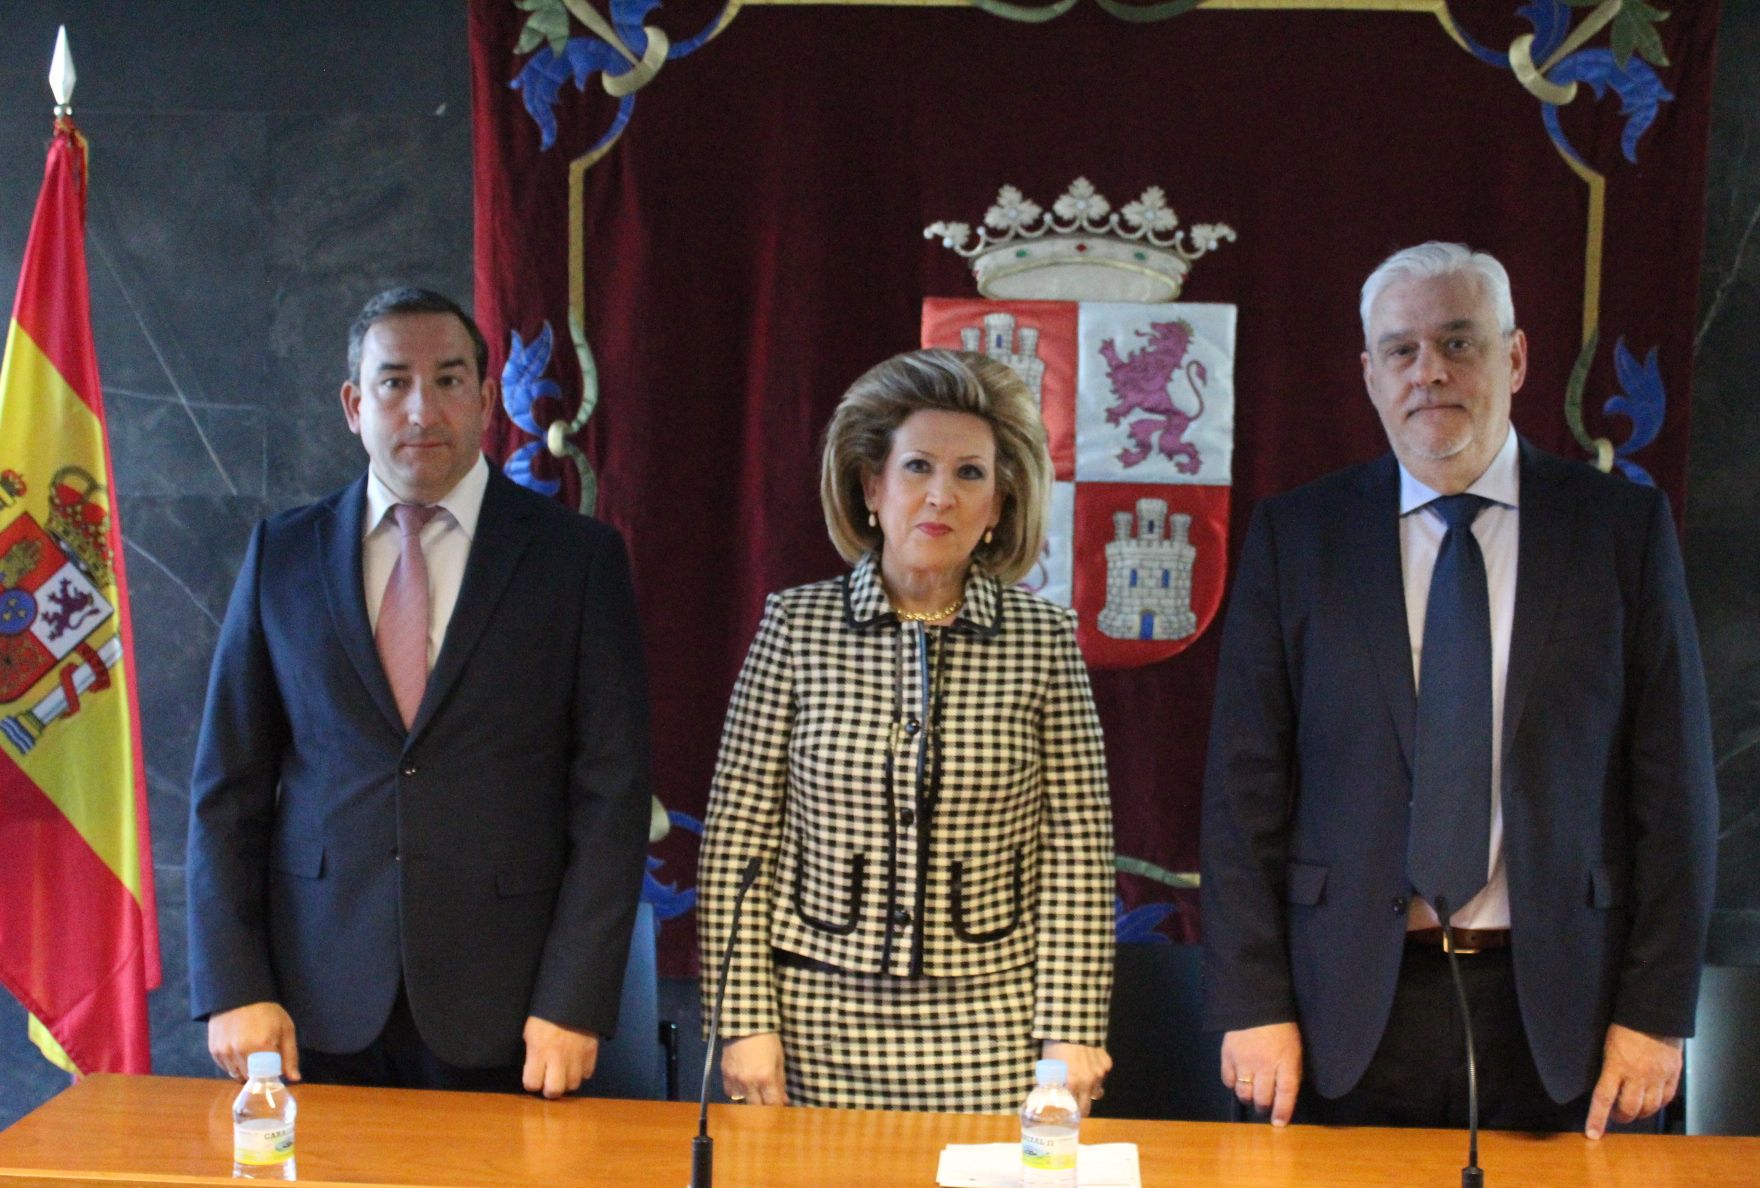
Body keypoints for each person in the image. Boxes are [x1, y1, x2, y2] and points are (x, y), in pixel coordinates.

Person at [1201, 243, 1717, 1136]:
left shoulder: (1620, 532)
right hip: (1339, 1020)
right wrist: (1253, 1003)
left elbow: (1676, 794)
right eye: (1400, 350)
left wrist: (1656, 1015)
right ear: (1369, 375)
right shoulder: (1300, 537)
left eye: (1459, 342)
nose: (1428, 372)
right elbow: (1242, 796)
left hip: (1570, 1021)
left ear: (1515, 358)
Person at [187, 287, 651, 1098]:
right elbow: (228, 789)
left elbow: (611, 796)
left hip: (513, 1010)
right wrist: (233, 984)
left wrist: (575, 1000)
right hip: (309, 1006)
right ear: (352, 403)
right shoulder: (282, 557)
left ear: (482, 397)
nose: (421, 409)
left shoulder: (575, 561)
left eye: (448, 379)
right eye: (394, 381)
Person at [698, 347, 1115, 1113]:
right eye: (918, 467)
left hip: (995, 1029)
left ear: (998, 505)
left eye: (970, 475)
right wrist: (744, 1022)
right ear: (871, 486)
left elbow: (1078, 852)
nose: (941, 497)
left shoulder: (1045, 640)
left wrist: (1072, 1029)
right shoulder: (797, 628)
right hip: (811, 1028)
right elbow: (737, 842)